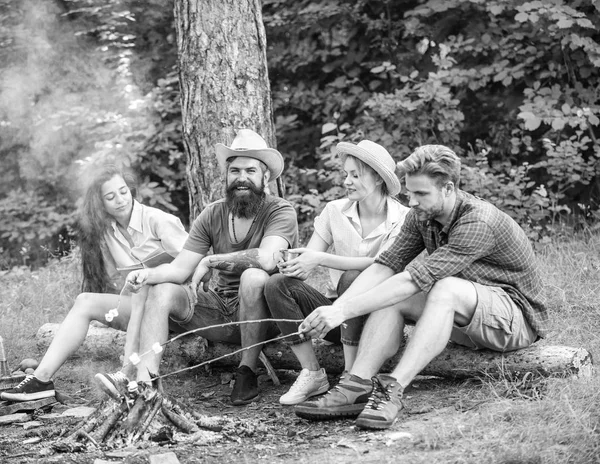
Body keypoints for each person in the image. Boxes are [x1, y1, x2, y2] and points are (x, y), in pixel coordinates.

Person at [294, 144, 548, 429]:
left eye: (421, 194)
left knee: (444, 288)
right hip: (467, 313)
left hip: (514, 321)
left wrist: (342, 312)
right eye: (409, 192)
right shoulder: (421, 216)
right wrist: (336, 308)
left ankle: (392, 389)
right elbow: (385, 266)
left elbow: (413, 279)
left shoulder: (478, 221)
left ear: (448, 188)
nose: (411, 202)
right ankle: (356, 386)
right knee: (394, 294)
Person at [121, 129, 298, 405]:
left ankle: (247, 371)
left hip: (264, 315)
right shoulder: (213, 213)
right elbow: (180, 269)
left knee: (253, 277)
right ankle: (146, 383)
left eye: (251, 170)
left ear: (266, 177)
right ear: (226, 176)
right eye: (235, 170)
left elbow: (267, 258)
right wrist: (147, 274)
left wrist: (211, 260)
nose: (242, 178)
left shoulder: (280, 210)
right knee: (162, 290)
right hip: (218, 308)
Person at [1, 165, 189, 402]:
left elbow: (189, 266)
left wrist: (151, 275)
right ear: (101, 203)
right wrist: (115, 307)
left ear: (130, 190)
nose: (120, 200)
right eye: (110, 197)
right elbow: (119, 282)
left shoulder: (159, 220)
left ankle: (128, 373)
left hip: (179, 303)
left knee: (147, 286)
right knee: (85, 301)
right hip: (142, 305)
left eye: (123, 191)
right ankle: (41, 380)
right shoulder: (109, 232)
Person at [263, 140, 409, 405]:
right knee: (277, 284)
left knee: (353, 278)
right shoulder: (334, 210)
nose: (347, 181)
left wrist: (320, 258)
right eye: (346, 175)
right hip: (337, 317)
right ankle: (312, 373)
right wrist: (296, 264)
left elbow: (385, 264)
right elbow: (310, 256)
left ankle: (350, 376)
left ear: (377, 179)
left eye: (355, 175)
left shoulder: (403, 218)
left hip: (379, 320)